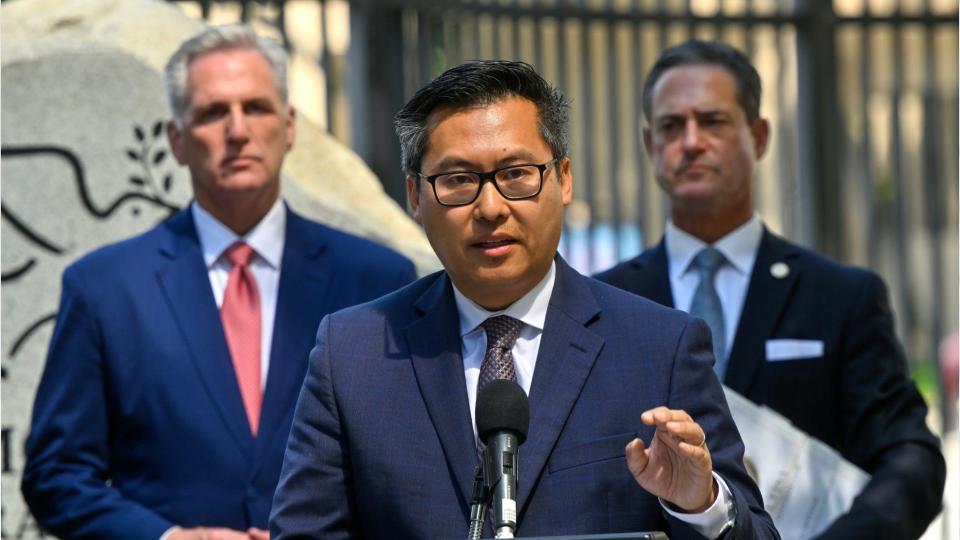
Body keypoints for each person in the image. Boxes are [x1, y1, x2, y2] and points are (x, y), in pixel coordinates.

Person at [269, 60, 778, 539]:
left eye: (516, 174)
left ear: (564, 179)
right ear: (415, 197)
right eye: (458, 180)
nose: (490, 207)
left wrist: (700, 504)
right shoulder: (353, 354)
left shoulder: (660, 347)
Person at [21, 24, 416, 540]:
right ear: (176, 140)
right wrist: (168, 539)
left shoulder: (377, 280)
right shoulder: (104, 289)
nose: (237, 130)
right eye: (212, 112)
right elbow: (56, 476)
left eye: (256, 107)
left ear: (289, 125)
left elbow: (410, 464)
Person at [595, 40, 945, 539]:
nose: (691, 141)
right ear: (650, 146)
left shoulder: (841, 297)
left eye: (713, 121)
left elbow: (911, 459)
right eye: (672, 126)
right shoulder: (603, 303)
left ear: (758, 136)